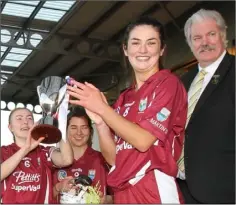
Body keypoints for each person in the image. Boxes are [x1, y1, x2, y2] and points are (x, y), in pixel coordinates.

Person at [67, 17, 188, 203]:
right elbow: (114, 159)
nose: (143, 50)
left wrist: (102, 108)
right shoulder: (125, 98)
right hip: (123, 191)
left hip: (153, 187)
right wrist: (100, 122)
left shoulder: (167, 84)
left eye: (151, 43)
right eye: (136, 43)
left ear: (162, 49)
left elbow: (143, 140)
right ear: (125, 49)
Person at [176, 9, 235, 203]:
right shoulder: (183, 82)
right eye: (197, 37)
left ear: (223, 35)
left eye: (211, 34)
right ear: (190, 43)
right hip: (181, 189)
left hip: (224, 193)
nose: (204, 42)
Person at [0, 108, 74, 203]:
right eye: (19, 118)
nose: (25, 122)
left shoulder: (44, 151)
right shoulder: (3, 152)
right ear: (11, 127)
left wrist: (59, 127)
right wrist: (26, 149)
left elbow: (67, 160)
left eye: (29, 118)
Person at [52, 107, 113, 203]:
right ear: (65, 130)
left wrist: (105, 200)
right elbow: (41, 196)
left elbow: (117, 195)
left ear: (90, 131)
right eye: (73, 127)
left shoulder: (103, 159)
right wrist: (58, 188)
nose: (79, 133)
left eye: (84, 127)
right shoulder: (53, 161)